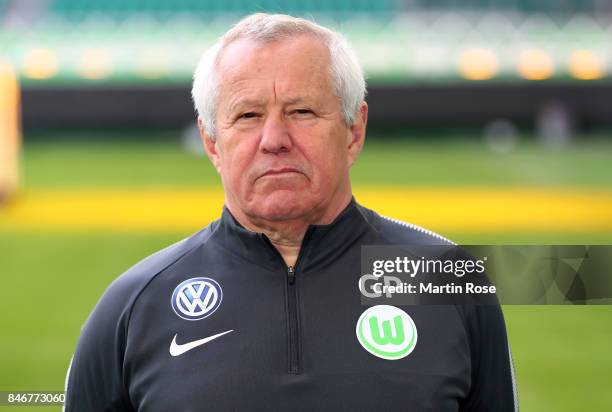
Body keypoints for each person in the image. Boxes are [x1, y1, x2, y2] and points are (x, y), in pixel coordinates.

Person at [64, 13, 517, 411]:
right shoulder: (133, 305)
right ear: (210, 142)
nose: (274, 138)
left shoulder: (450, 280)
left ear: (354, 130)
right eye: (247, 116)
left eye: (301, 111)